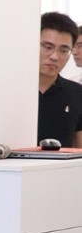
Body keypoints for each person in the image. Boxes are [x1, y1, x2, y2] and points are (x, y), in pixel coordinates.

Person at [37, 11, 82, 148]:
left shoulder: (77, 93)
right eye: (48, 47)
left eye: (64, 50)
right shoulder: (9, 89)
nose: (54, 57)